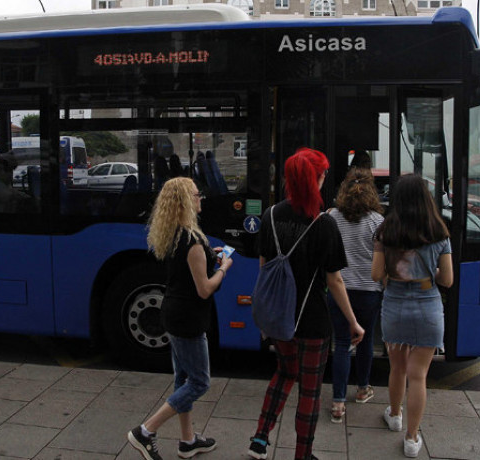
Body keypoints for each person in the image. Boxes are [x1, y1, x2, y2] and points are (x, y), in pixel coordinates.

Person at [248, 147, 364, 460]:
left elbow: (263, 267)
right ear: (317, 180)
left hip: (279, 317)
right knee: (310, 390)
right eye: (323, 174)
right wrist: (353, 321)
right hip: (311, 321)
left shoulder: (270, 215)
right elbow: (334, 281)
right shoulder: (323, 224)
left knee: (285, 373)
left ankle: (260, 437)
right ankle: (303, 454)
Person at [127, 177, 234, 460]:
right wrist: (223, 268)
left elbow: (189, 272)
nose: (201, 199)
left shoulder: (174, 233)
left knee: (183, 379)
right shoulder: (193, 240)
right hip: (188, 320)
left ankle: (187, 441)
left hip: (172, 314)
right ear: (187, 201)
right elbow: (204, 289)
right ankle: (146, 431)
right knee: (199, 382)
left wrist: (213, 257)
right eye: (198, 195)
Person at [371, 174, 453, 458]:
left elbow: (375, 274)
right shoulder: (439, 231)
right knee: (418, 376)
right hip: (428, 305)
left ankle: (394, 416)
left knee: (397, 368)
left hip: (394, 305)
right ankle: (411, 438)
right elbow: (448, 280)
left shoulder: (386, 232)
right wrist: (429, 272)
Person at [326, 167, 384, 424]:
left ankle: (338, 401)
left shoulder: (331, 217)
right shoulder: (377, 222)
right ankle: (362, 389)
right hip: (369, 292)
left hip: (339, 290)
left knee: (341, 343)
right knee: (366, 340)